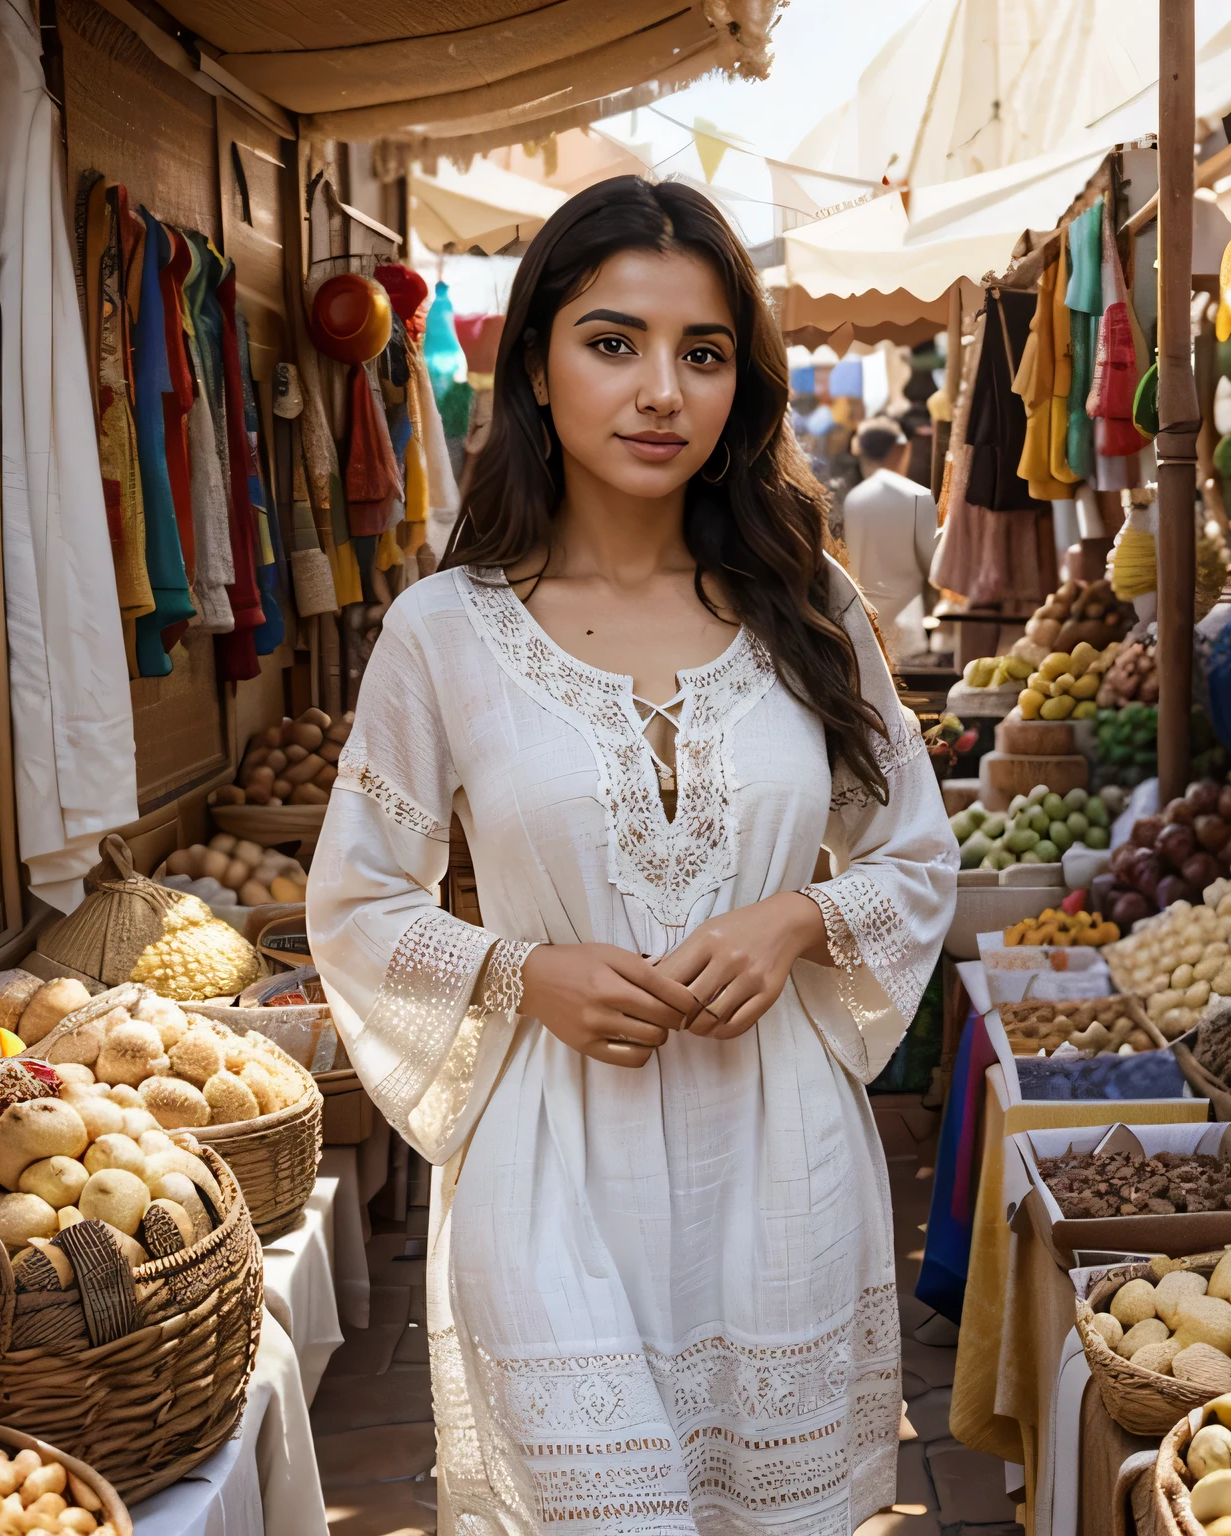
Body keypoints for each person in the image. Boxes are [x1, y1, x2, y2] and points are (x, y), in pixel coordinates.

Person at [306, 176, 958, 1536]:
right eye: (615, 342)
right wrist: (515, 972)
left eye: (703, 352)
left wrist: (797, 922)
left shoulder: (808, 605)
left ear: (739, 384)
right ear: (538, 366)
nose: (662, 388)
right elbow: (359, 904)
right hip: (550, 1176)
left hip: (781, 1178)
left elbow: (912, 859)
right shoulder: (445, 633)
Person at [841, 417, 940, 662]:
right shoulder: (919, 497)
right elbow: (936, 567)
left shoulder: (853, 499)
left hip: (862, 622)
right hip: (906, 621)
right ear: (900, 449)